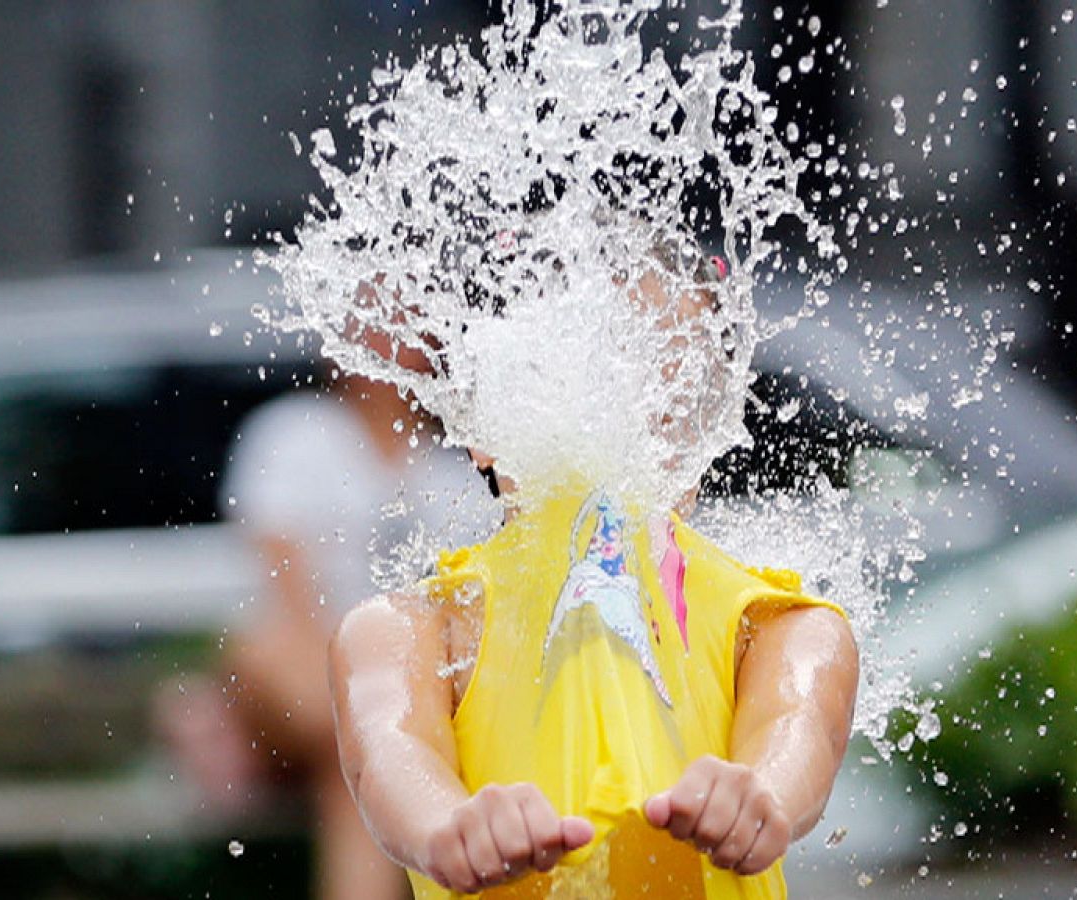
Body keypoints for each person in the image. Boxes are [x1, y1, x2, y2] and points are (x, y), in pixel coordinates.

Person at [327, 266, 860, 898]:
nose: (618, 423)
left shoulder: (780, 628)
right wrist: (445, 823)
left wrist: (764, 791)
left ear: (709, 430)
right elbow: (388, 753)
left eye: (663, 401)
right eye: (576, 387)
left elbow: (799, 725)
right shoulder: (410, 630)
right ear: (481, 430)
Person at [159, 327, 497, 900]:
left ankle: (223, 729)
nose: (390, 339)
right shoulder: (294, 434)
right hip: (304, 671)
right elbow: (285, 584)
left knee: (359, 757)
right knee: (369, 730)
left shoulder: (451, 465)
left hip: (367, 698)